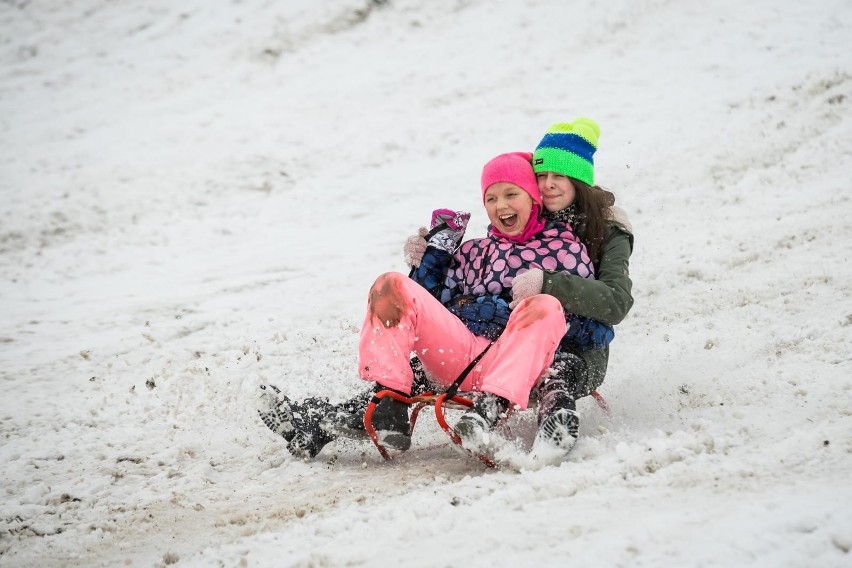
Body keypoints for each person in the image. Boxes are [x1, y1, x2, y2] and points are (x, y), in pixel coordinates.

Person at [259, 152, 602, 460]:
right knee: (390, 284)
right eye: (491, 198)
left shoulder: (566, 250)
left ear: (533, 199)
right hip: (463, 354)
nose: (501, 205)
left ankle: (490, 409)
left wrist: (518, 306)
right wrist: (428, 261)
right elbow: (426, 308)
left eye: (511, 194)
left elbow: (584, 320)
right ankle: (383, 404)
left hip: (523, 362)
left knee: (544, 306)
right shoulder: (474, 252)